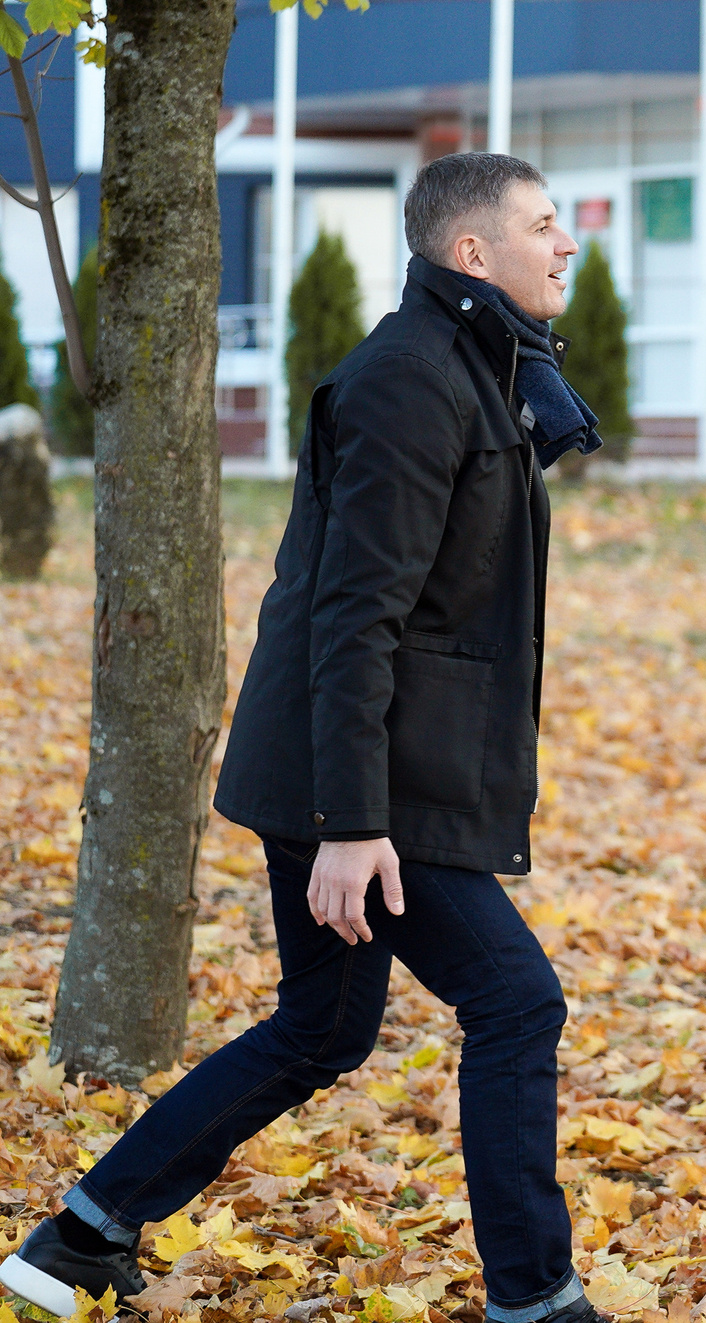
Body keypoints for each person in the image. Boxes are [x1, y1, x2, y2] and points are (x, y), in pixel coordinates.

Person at [3, 154, 605, 1323]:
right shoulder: (407, 382)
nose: (565, 244)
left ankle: (79, 1238)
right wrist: (353, 825)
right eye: (543, 226)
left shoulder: (485, 368)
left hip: (377, 764)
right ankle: (537, 1300)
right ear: (470, 253)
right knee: (517, 1002)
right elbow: (353, 613)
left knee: (324, 1027)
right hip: (363, 779)